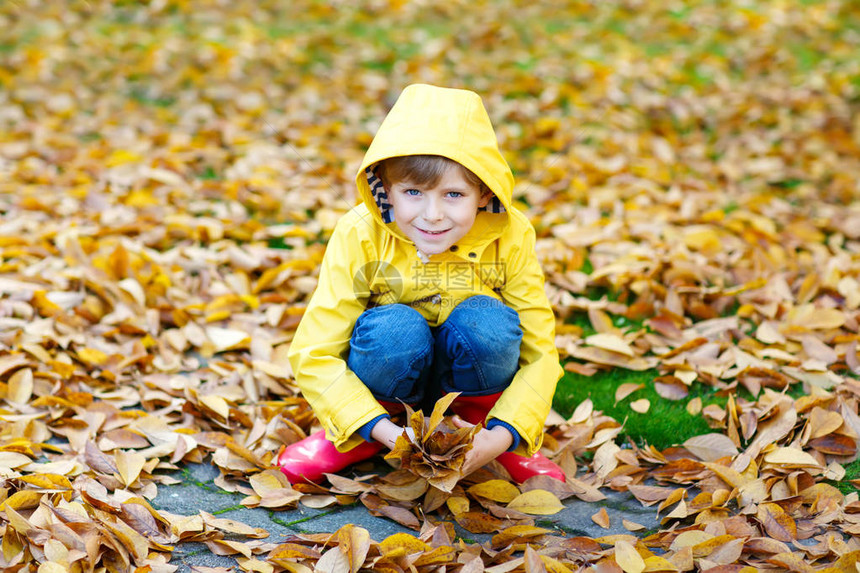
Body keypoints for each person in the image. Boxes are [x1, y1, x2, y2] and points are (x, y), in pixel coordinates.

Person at [278, 84, 564, 484]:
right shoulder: (359, 234)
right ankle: (359, 435)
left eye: (453, 194)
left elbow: (540, 352)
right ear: (387, 190)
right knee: (393, 328)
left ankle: (478, 427)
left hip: (471, 380)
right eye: (413, 192)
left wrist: (503, 435)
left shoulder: (511, 235)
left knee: (491, 324)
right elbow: (315, 349)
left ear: (482, 193)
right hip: (388, 378)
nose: (432, 215)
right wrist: (383, 430)